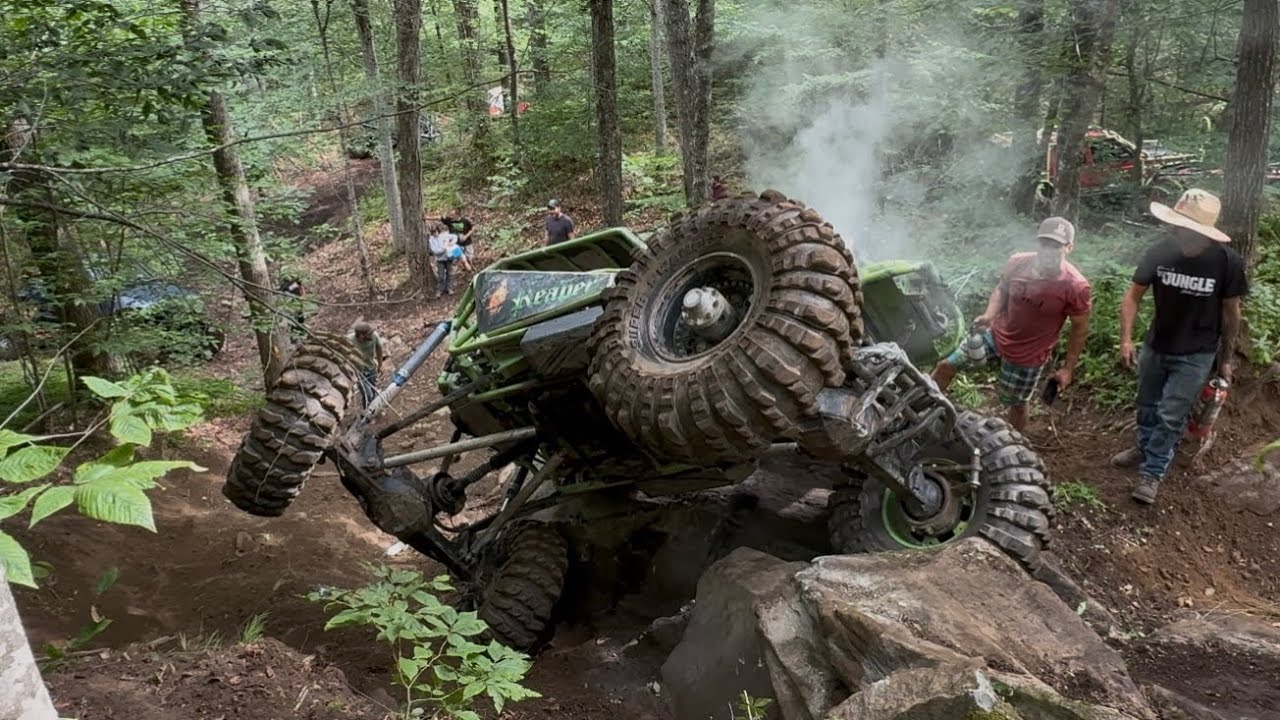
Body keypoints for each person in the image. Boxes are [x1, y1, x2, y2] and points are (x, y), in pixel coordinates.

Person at [1112, 188, 1247, 505]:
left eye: (1184, 228)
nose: (1177, 232)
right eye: (1176, 226)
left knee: (1171, 415)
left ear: (1203, 233)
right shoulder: (1160, 252)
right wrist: (1126, 339)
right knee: (1146, 404)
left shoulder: (1227, 263)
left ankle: (1153, 472)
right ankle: (1144, 447)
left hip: (1196, 352)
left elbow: (1231, 314)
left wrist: (1225, 359)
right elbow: (1132, 296)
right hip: (1157, 343)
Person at [931, 216, 1092, 432]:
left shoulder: (1075, 286)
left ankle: (1016, 443)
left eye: (1056, 246)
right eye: (1044, 244)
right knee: (945, 367)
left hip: (1028, 354)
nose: (1048, 251)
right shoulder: (1018, 262)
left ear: (1069, 248)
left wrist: (1068, 368)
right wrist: (989, 315)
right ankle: (923, 412)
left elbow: (1079, 328)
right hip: (996, 333)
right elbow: (1001, 289)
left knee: (1015, 403)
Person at [347, 320, 387, 406]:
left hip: (371, 368)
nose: (371, 335)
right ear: (361, 336)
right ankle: (368, 414)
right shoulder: (349, 340)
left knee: (373, 391)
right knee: (368, 394)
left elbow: (379, 349)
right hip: (359, 372)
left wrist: (380, 365)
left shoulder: (374, 336)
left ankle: (372, 411)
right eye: (368, 334)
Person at [427, 222, 459, 296]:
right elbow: (435, 251)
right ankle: (440, 289)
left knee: (450, 273)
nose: (435, 234)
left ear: (438, 230)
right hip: (439, 259)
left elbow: (454, 237)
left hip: (448, 257)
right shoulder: (431, 240)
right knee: (441, 275)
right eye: (433, 232)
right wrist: (444, 248)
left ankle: (449, 288)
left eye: (436, 231)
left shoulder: (444, 236)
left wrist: (451, 243)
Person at [439, 207, 475, 272]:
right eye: (450, 215)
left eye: (453, 215)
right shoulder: (449, 220)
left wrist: (466, 236)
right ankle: (467, 269)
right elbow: (438, 218)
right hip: (456, 245)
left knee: (469, 257)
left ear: (457, 215)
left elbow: (472, 229)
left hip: (467, 243)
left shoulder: (465, 221)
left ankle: (471, 269)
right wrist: (425, 218)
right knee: (460, 257)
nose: (451, 216)